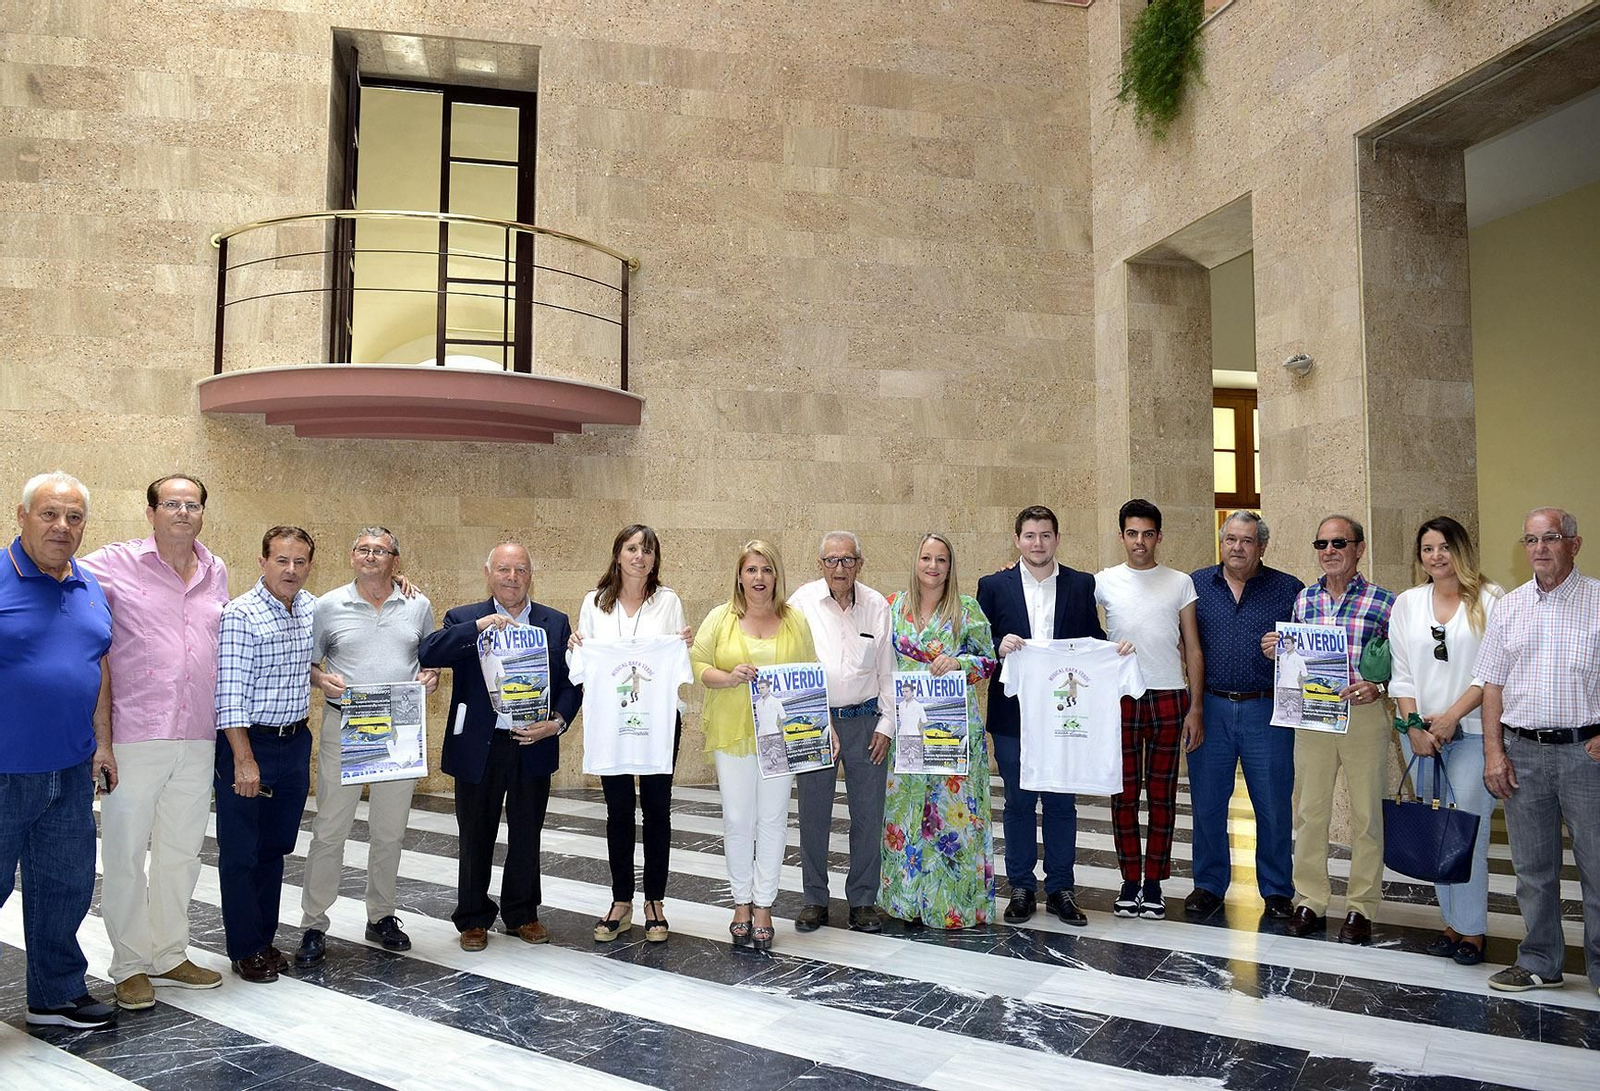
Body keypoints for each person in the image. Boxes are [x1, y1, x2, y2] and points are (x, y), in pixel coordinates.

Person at [81, 474, 229, 1009]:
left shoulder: (217, 571)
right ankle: (128, 965)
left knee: (181, 853)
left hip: (197, 734)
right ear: (151, 513)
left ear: (203, 513)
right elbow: (55, 572)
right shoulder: (112, 564)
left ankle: (169, 953)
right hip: (133, 736)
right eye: (172, 504)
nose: (183, 513)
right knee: (123, 854)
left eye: (193, 505)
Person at [419, 542, 580, 951]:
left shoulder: (555, 623)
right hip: (479, 745)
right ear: (488, 572)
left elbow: (572, 682)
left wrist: (557, 723)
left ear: (531, 575)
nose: (512, 577)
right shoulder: (464, 618)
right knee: (475, 833)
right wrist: (478, 628)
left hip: (534, 742)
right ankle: (473, 918)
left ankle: (522, 913)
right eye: (504, 569)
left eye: (520, 570)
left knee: (528, 832)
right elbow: (430, 650)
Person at [0, 472, 116, 1029]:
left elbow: (97, 665)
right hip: (4, 770)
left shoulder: (88, 584)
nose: (62, 527)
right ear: (21, 516)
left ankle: (56, 994)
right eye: (49, 514)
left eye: (73, 517)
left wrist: (103, 744)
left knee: (64, 884)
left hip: (70, 768)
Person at [294, 527, 439, 967]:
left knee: (390, 831)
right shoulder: (328, 605)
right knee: (329, 830)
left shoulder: (418, 604)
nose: (371, 556)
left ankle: (381, 916)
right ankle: (314, 924)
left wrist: (430, 678)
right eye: (363, 549)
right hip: (347, 728)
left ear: (396, 559)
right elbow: (310, 663)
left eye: (380, 550)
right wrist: (322, 680)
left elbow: (428, 659)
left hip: (398, 731)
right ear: (352, 556)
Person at [1477, 507, 1600, 994]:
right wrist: (1494, 752)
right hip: (1523, 751)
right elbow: (1492, 687)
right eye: (1531, 540)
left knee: (1597, 866)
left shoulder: (1598, 600)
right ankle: (1540, 961)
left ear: (1575, 543)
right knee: (1532, 870)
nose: (1540, 548)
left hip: (1585, 754)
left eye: (1551, 537)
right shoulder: (1509, 606)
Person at [977, 505, 1103, 926]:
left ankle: (1062, 887)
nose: (1037, 543)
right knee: (1017, 800)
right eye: (1029, 536)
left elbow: (1093, 639)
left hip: (1064, 716)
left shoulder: (1082, 584)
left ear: (1057, 539)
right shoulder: (993, 585)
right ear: (1017, 540)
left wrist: (1114, 651)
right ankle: (1021, 887)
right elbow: (979, 641)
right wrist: (999, 644)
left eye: (1045, 535)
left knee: (1061, 801)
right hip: (1013, 713)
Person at [567, 524, 691, 944]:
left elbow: (678, 662)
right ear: (618, 553)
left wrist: (683, 645)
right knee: (618, 811)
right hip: (612, 723)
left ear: (656, 559)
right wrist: (575, 645)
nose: (640, 556)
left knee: (658, 809)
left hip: (658, 722)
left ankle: (655, 900)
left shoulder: (668, 602)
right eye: (632, 548)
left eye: (648, 550)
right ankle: (621, 900)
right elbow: (581, 662)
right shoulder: (593, 603)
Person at [1389, 516, 1502, 967]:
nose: (1436, 556)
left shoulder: (1491, 600)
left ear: (1461, 549)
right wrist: (1414, 727)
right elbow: (1402, 673)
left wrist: (1453, 717)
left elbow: (1491, 672)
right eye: (1427, 549)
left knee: (1467, 834)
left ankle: (1473, 930)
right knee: (1437, 833)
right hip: (1420, 737)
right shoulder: (1408, 603)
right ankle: (1450, 924)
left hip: (1473, 734)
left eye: (1444, 547)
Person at [691, 539, 815, 952]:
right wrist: (729, 677)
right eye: (751, 570)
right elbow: (697, 665)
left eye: (766, 570)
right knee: (738, 819)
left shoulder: (796, 621)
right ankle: (740, 902)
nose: (758, 578)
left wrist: (821, 724)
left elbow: (812, 675)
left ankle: (764, 905)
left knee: (774, 819)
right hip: (733, 733)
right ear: (739, 576)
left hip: (781, 737)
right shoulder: (719, 618)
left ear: (776, 575)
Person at [1281, 515, 1395, 945]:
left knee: (1367, 814)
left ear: (1359, 548)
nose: (1329, 551)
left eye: (1339, 543)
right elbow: (1294, 663)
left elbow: (1402, 663)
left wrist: (1379, 686)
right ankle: (1309, 899)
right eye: (1321, 544)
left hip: (1363, 716)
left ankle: (1361, 907)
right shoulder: (1304, 601)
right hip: (1314, 715)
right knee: (1310, 812)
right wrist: (1279, 650)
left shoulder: (1385, 603)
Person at [214, 525, 319, 983]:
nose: (291, 570)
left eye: (299, 561)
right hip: (248, 742)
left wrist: (398, 583)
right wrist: (243, 758)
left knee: (275, 847)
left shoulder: (312, 608)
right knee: (241, 850)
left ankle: (264, 939)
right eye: (281, 560)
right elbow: (230, 695)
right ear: (262, 562)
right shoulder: (241, 614)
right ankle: (244, 947)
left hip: (295, 742)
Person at [1187, 510, 1303, 920]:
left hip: (1266, 709)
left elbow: (1308, 652)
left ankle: (1275, 890)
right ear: (1221, 542)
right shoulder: (1195, 585)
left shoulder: (1289, 589)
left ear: (1262, 546)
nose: (1237, 548)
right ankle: (1208, 884)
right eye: (1231, 539)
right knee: (1207, 803)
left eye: (1247, 541)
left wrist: (1286, 650)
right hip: (1210, 707)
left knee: (1273, 804)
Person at [879, 532, 998, 928]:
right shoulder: (893, 607)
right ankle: (906, 900)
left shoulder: (967, 609)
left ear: (951, 566)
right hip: (910, 729)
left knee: (954, 818)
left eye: (941, 560)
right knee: (909, 812)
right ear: (916, 563)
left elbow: (988, 662)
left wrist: (959, 663)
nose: (933, 567)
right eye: (926, 558)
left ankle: (955, 903)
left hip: (953, 729)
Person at [1094, 499, 1203, 921]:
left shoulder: (1180, 583)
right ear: (1121, 536)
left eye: (1148, 534)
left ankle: (1154, 883)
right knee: (1122, 796)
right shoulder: (1102, 582)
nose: (1140, 542)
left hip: (1169, 696)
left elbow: (1191, 646)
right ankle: (1128, 880)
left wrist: (1196, 706)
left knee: (1162, 796)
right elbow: (1062, 594)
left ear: (1159, 536)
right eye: (1132, 533)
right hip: (1119, 697)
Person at [789, 531, 896, 934]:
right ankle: (814, 898)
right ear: (820, 564)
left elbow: (888, 671)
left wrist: (887, 724)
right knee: (813, 814)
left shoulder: (876, 606)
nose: (840, 568)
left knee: (868, 815)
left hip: (867, 723)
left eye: (847, 561)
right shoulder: (800, 603)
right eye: (832, 561)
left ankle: (863, 900)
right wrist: (817, 718)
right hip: (817, 720)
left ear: (859, 563)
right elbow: (795, 664)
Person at [1274, 632, 1309, 724]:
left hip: (1293, 685)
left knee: (1292, 705)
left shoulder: (1298, 658)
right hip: (1281, 684)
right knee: (1281, 704)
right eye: (1285, 643)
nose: (1286, 645)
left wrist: (1301, 685)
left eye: (1288, 643)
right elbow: (1280, 671)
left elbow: (1304, 673)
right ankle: (1283, 718)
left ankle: (1291, 717)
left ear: (1293, 644)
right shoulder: (1282, 656)